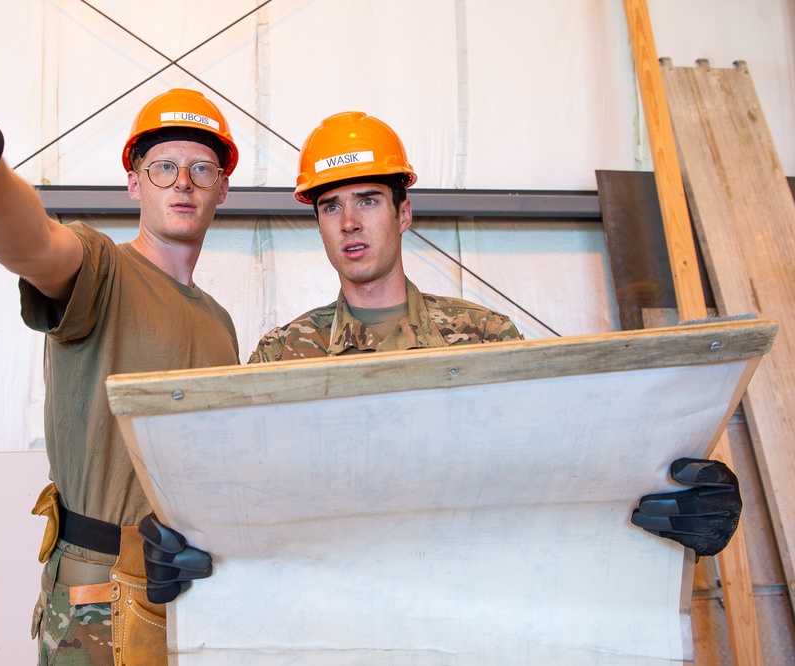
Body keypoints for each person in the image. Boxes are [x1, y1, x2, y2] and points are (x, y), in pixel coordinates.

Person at [0, 80, 239, 666]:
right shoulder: (104, 269)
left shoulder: (220, 324)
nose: (183, 182)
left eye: (202, 168)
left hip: (190, 594)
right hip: (94, 597)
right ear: (134, 181)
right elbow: (35, 245)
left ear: (223, 187)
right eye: (163, 167)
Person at [249, 110, 743, 559]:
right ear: (317, 223)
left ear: (403, 213)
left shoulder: (484, 336)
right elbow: (243, 491)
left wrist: (668, 493)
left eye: (368, 200)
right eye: (331, 206)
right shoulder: (283, 355)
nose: (350, 223)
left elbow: (557, 466)